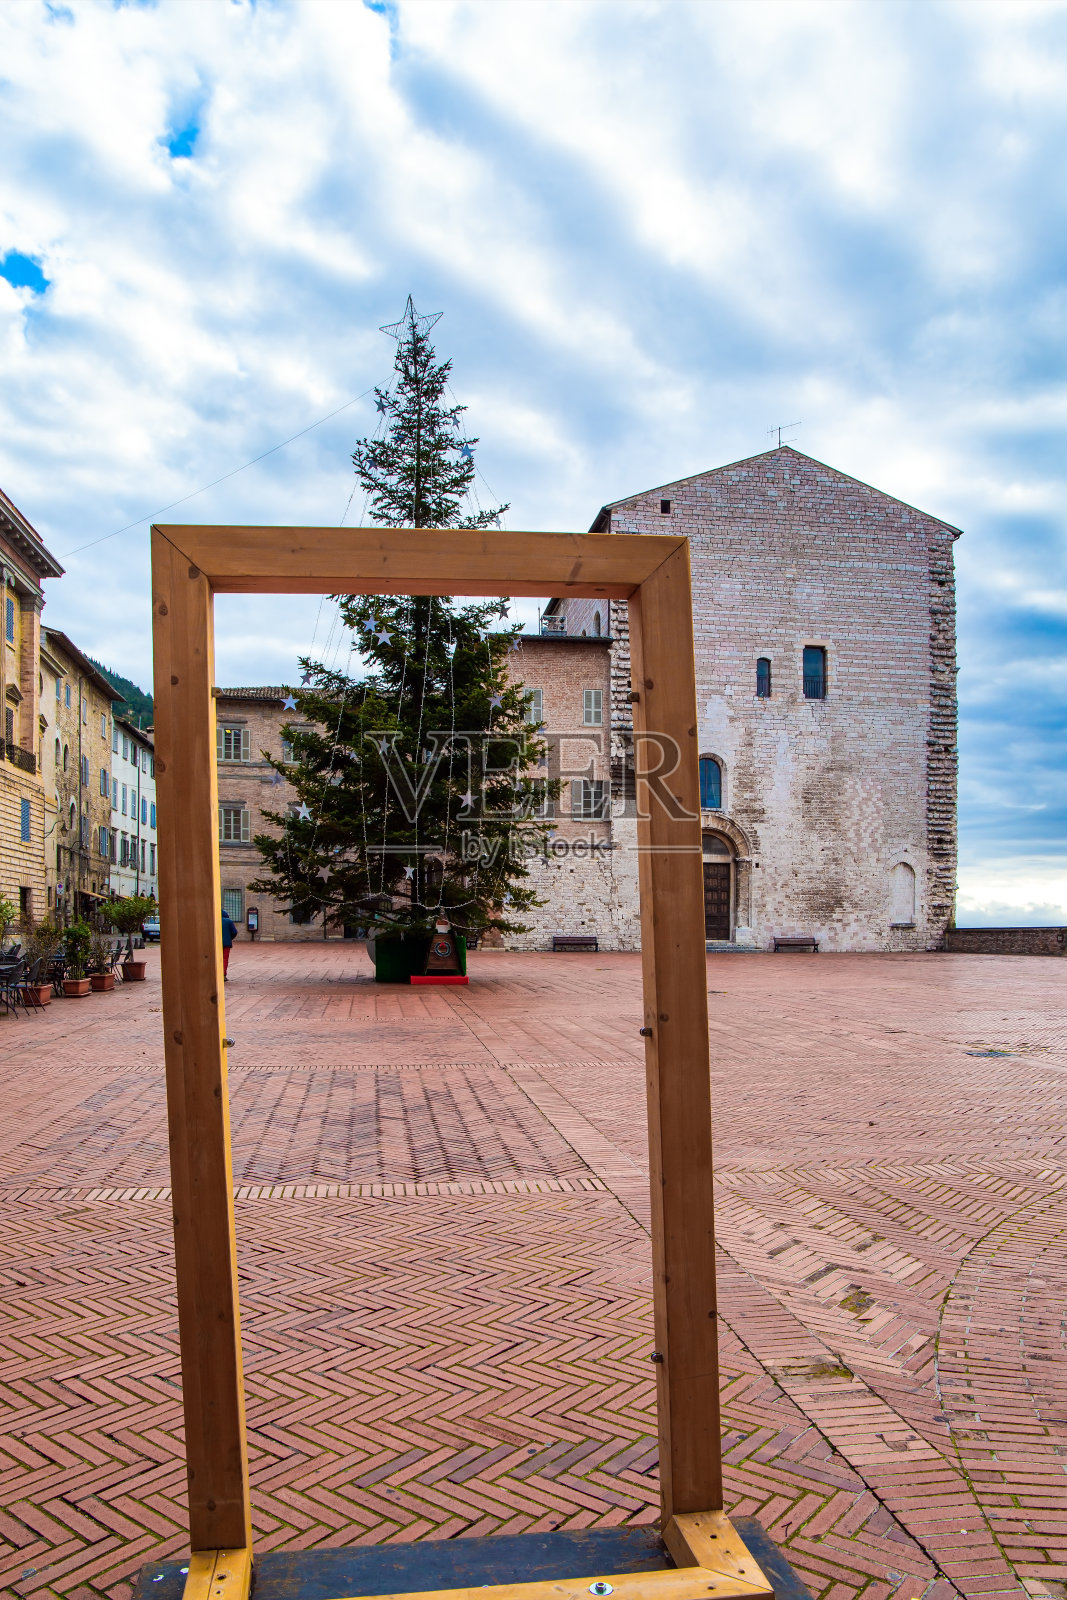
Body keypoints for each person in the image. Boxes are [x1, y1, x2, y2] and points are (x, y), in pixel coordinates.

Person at [221, 907, 237, 979]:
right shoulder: (229, 921)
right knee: (225, 958)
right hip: (227, 943)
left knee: (217, 958)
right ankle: (223, 974)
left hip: (217, 944)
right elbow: (234, 932)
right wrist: (230, 938)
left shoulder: (215, 920)